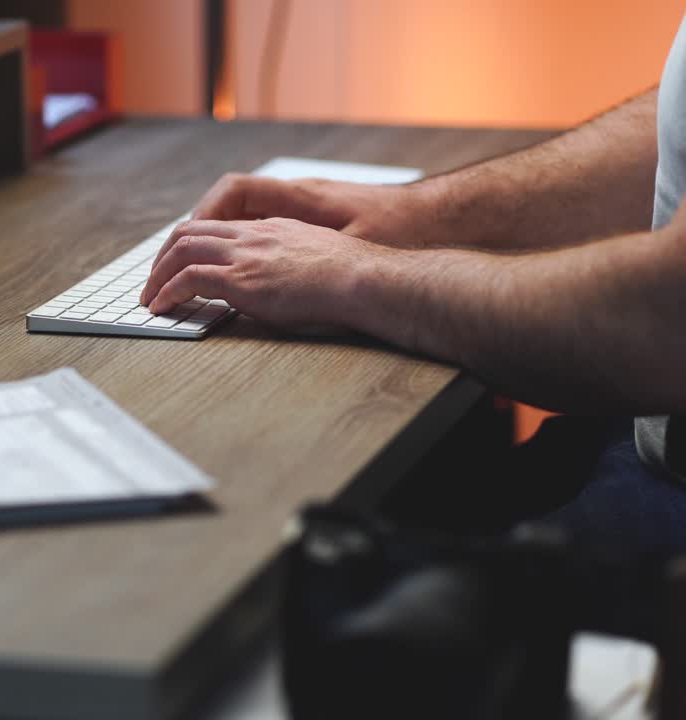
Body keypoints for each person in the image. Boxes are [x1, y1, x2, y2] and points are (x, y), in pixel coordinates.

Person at [141, 16, 686, 552]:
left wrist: (357, 275)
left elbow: (667, 317)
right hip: (642, 433)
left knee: (274, 557)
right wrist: (422, 210)